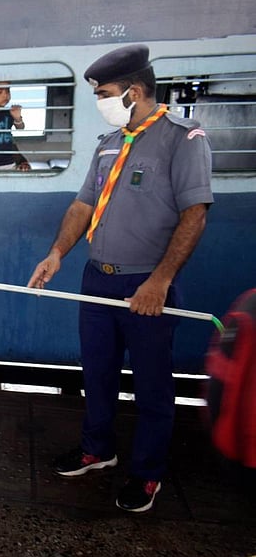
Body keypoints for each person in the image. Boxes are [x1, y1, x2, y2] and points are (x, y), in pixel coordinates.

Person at [27, 44, 214, 512]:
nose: (101, 102)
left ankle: (148, 474)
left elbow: (195, 214)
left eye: (105, 93)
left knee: (152, 383)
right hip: (98, 279)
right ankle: (98, 448)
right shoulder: (110, 142)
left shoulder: (182, 138)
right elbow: (82, 205)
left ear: (134, 91)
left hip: (147, 284)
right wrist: (57, 254)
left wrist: (161, 281)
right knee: (98, 372)